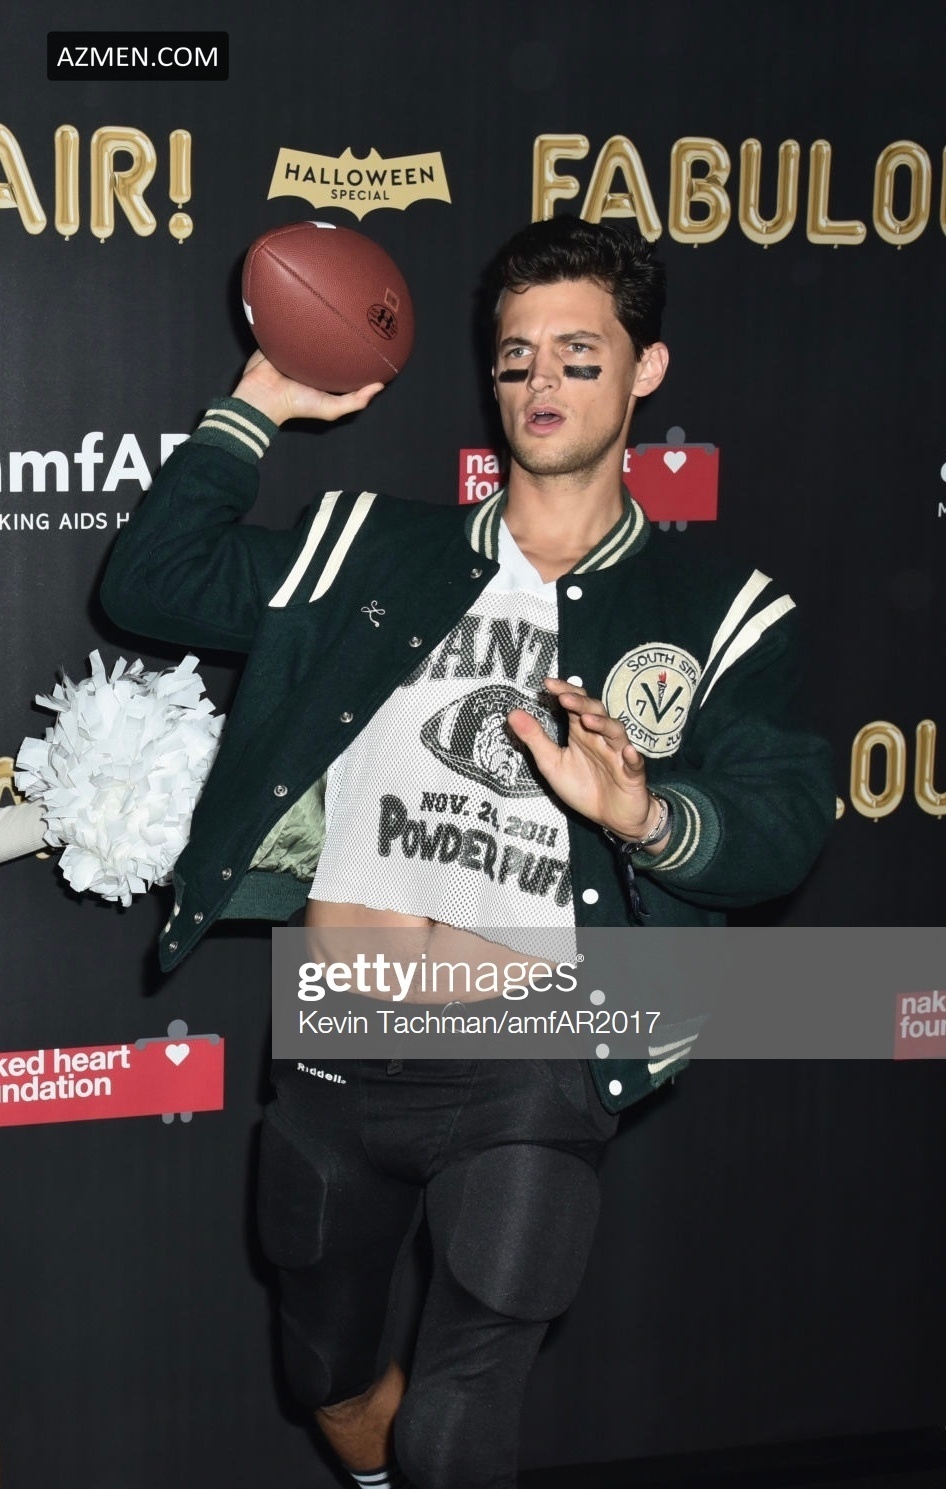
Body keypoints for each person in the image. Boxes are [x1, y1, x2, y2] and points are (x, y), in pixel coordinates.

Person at [100, 215, 835, 1489]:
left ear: (647, 369)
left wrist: (645, 816)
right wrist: (258, 400)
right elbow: (150, 584)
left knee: (458, 1413)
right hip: (337, 1028)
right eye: (515, 356)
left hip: (531, 1056)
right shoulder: (368, 546)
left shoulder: (717, 609)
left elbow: (782, 821)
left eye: (579, 355)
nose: (541, 381)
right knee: (326, 1378)